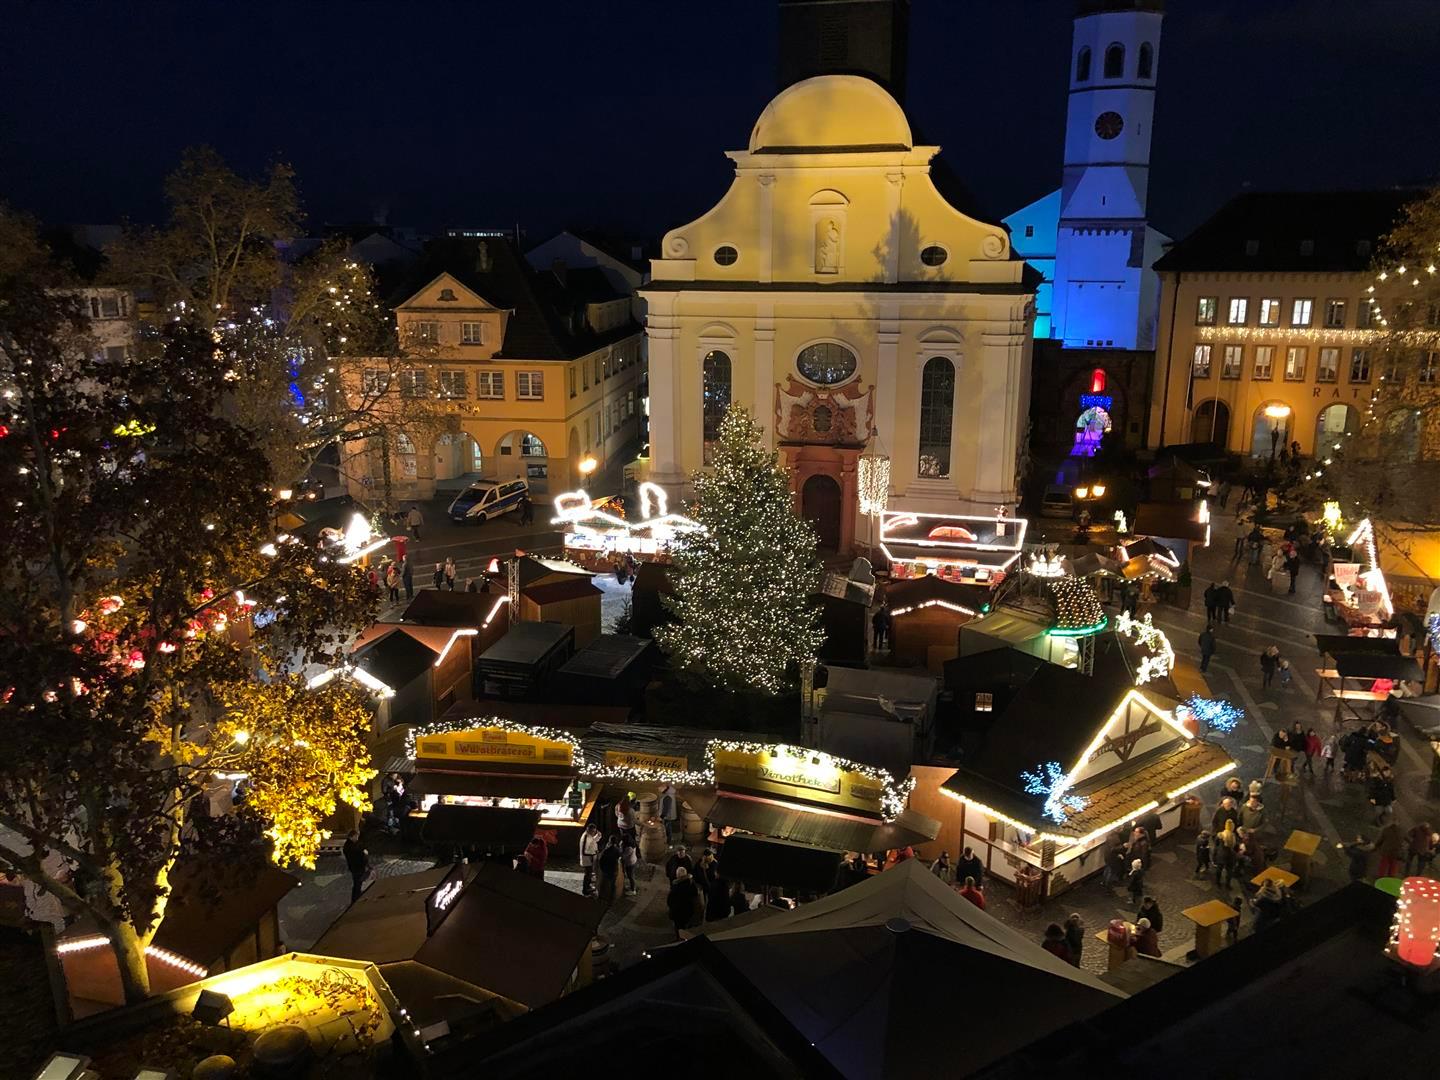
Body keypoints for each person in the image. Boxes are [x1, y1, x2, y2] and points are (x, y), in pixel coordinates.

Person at [668, 867, 699, 940]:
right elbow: (695, 895)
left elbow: (670, 901)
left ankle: (680, 938)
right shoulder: (691, 884)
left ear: (678, 876)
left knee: (679, 927)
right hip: (688, 910)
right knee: (686, 925)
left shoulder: (676, 887)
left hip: (678, 912)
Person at [342, 830, 369, 905]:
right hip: (356, 868)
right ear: (352, 836)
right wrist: (364, 854)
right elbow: (357, 856)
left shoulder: (351, 844)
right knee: (357, 884)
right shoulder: (349, 847)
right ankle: (356, 900)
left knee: (358, 883)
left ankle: (356, 898)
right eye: (356, 836)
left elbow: (360, 846)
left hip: (356, 867)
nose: (357, 838)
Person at [596, 834, 622, 904]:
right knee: (613, 884)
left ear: (610, 841)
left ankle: (601, 897)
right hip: (613, 870)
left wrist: (602, 868)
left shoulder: (606, 851)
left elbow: (601, 860)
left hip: (606, 870)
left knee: (604, 883)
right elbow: (619, 857)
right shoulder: (617, 850)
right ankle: (611, 899)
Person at [579, 823, 602, 896]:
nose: (593, 833)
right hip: (587, 860)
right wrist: (594, 854)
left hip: (590, 859)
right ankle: (585, 890)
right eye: (592, 832)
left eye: (594, 832)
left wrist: (598, 836)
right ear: (588, 830)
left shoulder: (589, 835)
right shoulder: (585, 837)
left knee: (589, 874)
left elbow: (592, 841)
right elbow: (584, 851)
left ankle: (588, 887)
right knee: (587, 875)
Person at [1214, 823, 1238, 889]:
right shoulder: (1233, 836)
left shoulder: (1220, 835)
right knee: (1229, 871)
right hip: (1230, 856)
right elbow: (1236, 848)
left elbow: (1216, 846)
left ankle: (1217, 882)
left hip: (1221, 855)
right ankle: (1227, 884)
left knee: (1219, 869)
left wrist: (1214, 857)